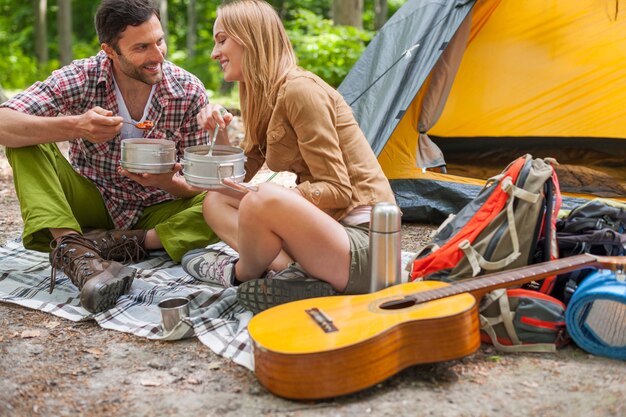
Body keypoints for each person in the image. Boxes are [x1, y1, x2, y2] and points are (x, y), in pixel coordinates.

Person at [0, 0, 224, 314]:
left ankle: (123, 242)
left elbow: (200, 184)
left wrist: (170, 183)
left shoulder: (187, 91)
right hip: (91, 201)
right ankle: (77, 251)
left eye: (160, 41)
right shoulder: (82, 76)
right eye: (142, 47)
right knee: (24, 142)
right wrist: (76, 126)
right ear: (109, 50)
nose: (157, 56)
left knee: (227, 200)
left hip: (158, 209)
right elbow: (4, 122)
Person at [181, 0, 396, 314]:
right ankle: (298, 279)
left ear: (250, 38)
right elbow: (241, 180)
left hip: (367, 250)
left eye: (222, 39)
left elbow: (338, 191)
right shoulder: (262, 96)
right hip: (330, 244)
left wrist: (277, 196)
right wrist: (220, 134)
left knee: (262, 199)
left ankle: (241, 275)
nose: (215, 53)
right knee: (216, 201)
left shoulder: (300, 90)